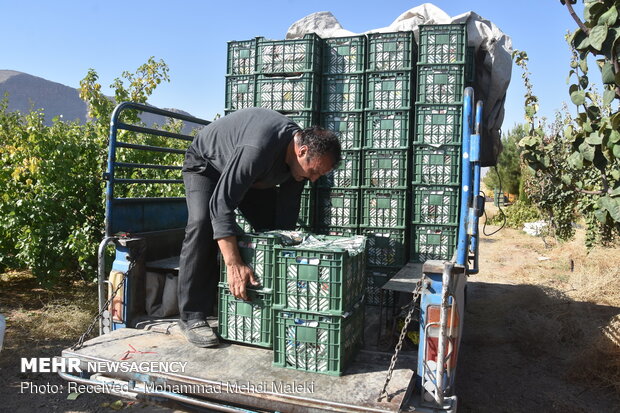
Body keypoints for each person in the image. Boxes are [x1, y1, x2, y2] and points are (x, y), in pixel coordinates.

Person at [178, 107, 341, 347]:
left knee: (270, 231)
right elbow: (220, 205)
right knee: (202, 224)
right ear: (302, 151)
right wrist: (234, 264)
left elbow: (285, 220)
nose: (314, 179)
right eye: (314, 171)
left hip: (251, 178)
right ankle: (192, 315)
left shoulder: (299, 165)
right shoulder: (258, 147)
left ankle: (258, 297)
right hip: (206, 166)